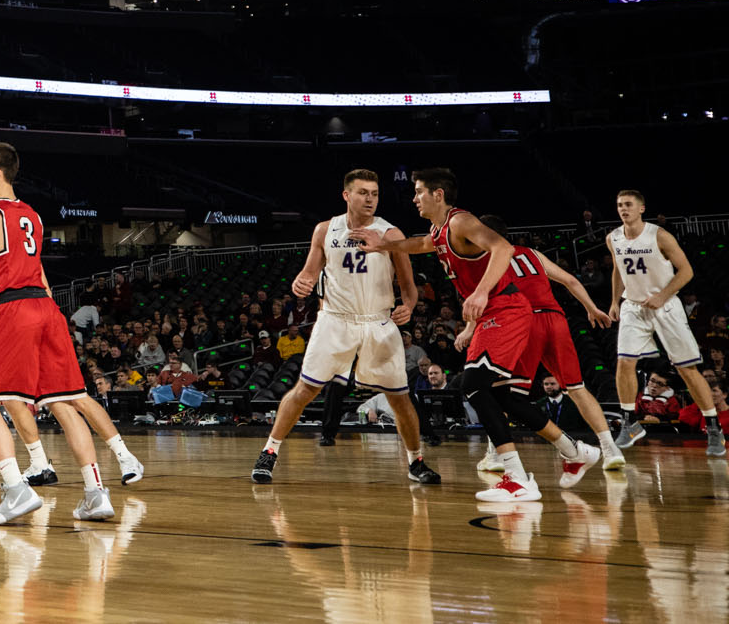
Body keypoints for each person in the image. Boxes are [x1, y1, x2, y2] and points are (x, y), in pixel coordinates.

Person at [355, 168, 601, 503]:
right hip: (492, 315)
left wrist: (482, 291)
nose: (414, 198)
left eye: (418, 192)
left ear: (437, 194)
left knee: (472, 384)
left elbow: (503, 249)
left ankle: (516, 478)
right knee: (504, 398)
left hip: (506, 309)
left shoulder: (461, 222)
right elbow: (424, 243)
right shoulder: (439, 230)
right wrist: (384, 245)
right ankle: (574, 451)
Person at [0, 142, 113, 526]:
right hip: (46, 309)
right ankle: (95, 493)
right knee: (66, 402)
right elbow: (11, 270)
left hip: (12, 311)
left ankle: (16, 489)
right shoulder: (32, 217)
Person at [251, 169, 441, 486]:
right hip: (335, 319)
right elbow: (309, 273)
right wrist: (303, 281)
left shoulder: (390, 234)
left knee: (399, 397)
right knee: (305, 390)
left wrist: (407, 306)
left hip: (377, 320)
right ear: (346, 195)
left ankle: (415, 461)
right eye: (363, 192)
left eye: (375, 193)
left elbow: (408, 286)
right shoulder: (325, 230)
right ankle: (269, 453)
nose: (370, 199)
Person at [471, 216, 623, 471]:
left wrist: (469, 329)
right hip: (556, 320)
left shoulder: (488, 259)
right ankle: (610, 449)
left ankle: (495, 454)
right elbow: (571, 280)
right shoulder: (532, 254)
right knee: (576, 387)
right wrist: (592, 308)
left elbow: (484, 300)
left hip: (523, 322)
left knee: (503, 392)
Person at [607, 189, 725, 456]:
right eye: (619, 205)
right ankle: (629, 423)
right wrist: (614, 302)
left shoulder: (659, 236)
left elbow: (687, 271)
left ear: (641, 209)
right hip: (633, 307)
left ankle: (713, 425)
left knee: (687, 369)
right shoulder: (612, 237)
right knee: (624, 362)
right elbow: (617, 270)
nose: (623, 209)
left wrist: (663, 295)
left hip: (666, 305)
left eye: (627, 205)